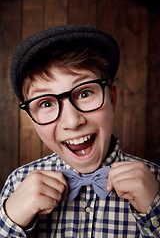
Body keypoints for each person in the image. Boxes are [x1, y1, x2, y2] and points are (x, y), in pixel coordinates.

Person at [0, 24, 159, 238]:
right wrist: (10, 222)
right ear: (32, 118)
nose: (72, 121)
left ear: (112, 98)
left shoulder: (156, 182)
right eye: (46, 104)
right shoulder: (17, 183)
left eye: (84, 93)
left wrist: (156, 211)